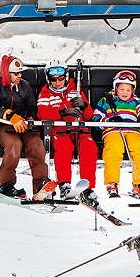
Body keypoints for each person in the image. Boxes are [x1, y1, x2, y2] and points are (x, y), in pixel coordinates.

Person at [0, 54, 50, 198]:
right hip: (3, 125)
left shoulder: (24, 86)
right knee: (14, 146)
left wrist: (31, 117)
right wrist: (9, 115)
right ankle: (6, 184)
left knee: (36, 145)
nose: (19, 76)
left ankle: (40, 184)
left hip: (23, 124)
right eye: (16, 73)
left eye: (20, 73)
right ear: (7, 73)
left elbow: (32, 105)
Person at [35, 64, 93, 200]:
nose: (57, 82)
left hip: (79, 129)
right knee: (64, 148)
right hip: (59, 129)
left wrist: (84, 105)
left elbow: (90, 116)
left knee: (89, 148)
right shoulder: (45, 94)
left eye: (60, 78)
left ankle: (88, 188)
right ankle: (64, 184)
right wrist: (61, 112)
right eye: (53, 79)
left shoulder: (76, 90)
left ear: (65, 77)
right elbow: (42, 115)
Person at [93, 70, 140, 199]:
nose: (125, 93)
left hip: (133, 130)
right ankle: (112, 183)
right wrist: (109, 121)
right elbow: (96, 119)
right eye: (122, 89)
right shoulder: (106, 101)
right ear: (116, 88)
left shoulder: (136, 101)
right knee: (113, 149)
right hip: (113, 130)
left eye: (128, 90)